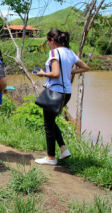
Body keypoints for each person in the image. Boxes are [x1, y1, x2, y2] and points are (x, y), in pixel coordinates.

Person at [35, 29, 89, 165]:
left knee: (48, 124)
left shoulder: (54, 52)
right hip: (67, 93)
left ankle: (50, 157)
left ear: (52, 40)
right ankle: (63, 149)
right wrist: (70, 71)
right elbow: (85, 67)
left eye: (47, 41)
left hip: (55, 92)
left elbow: (56, 73)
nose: (47, 44)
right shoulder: (70, 52)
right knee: (51, 121)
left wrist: (43, 74)